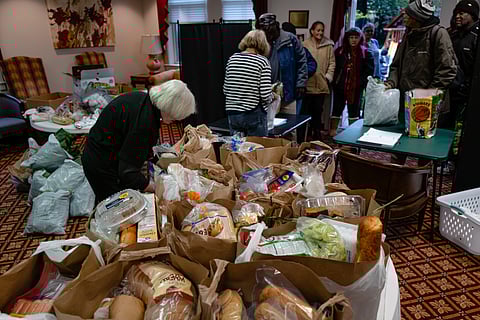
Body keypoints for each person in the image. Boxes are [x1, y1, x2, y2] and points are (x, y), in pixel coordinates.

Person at [82, 80, 196, 203]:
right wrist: (156, 188)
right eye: (175, 117)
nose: (174, 121)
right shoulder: (144, 123)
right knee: (115, 206)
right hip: (101, 165)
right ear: (169, 108)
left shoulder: (144, 99)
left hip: (100, 150)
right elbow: (127, 173)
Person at [385, 0, 457, 164]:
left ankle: (421, 185)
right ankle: (395, 182)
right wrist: (390, 83)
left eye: (408, 13)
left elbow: (448, 69)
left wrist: (427, 96)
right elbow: (396, 65)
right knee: (398, 148)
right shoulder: (408, 34)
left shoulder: (438, 34)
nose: (404, 14)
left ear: (417, 17)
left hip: (429, 106)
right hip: (406, 105)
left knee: (424, 153)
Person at [223, 29, 274, 137]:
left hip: (233, 114)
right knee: (257, 150)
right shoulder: (262, 62)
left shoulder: (232, 59)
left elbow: (226, 89)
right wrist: (272, 97)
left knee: (237, 150)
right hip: (253, 113)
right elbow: (265, 94)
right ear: (263, 44)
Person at [257, 13, 308, 115]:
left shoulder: (290, 39)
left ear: (276, 25)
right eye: (264, 30)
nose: (267, 34)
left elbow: (302, 62)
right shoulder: (261, 40)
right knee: (270, 127)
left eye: (269, 30)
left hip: (288, 94)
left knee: (290, 127)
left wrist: (301, 83)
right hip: (268, 94)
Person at [331, 27, 374, 136]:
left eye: (356, 37)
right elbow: (334, 68)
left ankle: (352, 133)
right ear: (347, 38)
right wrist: (335, 82)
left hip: (356, 87)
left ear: (360, 38)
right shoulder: (340, 51)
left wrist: (360, 84)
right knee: (337, 108)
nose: (354, 40)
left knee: (354, 110)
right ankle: (332, 130)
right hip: (340, 85)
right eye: (351, 37)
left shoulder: (366, 53)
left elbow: (369, 72)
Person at [302, 21, 336, 139]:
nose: (320, 33)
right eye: (318, 30)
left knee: (318, 111)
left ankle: (317, 133)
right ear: (312, 31)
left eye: (322, 30)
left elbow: (332, 63)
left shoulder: (329, 46)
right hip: (308, 85)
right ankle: (308, 134)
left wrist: (328, 77)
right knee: (307, 112)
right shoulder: (304, 44)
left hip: (322, 84)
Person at [281, 21, 318, 115]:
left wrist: (300, 75)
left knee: (293, 120)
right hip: (280, 90)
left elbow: (312, 65)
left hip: (296, 90)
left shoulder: (300, 50)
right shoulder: (276, 49)